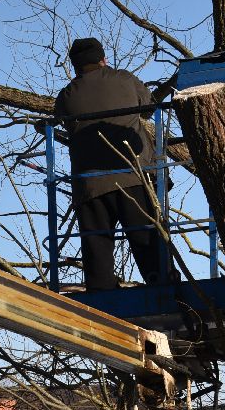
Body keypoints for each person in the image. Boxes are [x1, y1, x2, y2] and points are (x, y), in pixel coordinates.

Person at [53, 38, 171, 291]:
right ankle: (162, 285)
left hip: (90, 185)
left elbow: (61, 121)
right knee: (145, 238)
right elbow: (150, 108)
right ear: (103, 59)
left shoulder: (66, 94)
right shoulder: (125, 79)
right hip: (132, 175)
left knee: (96, 244)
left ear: (75, 66)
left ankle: (101, 292)